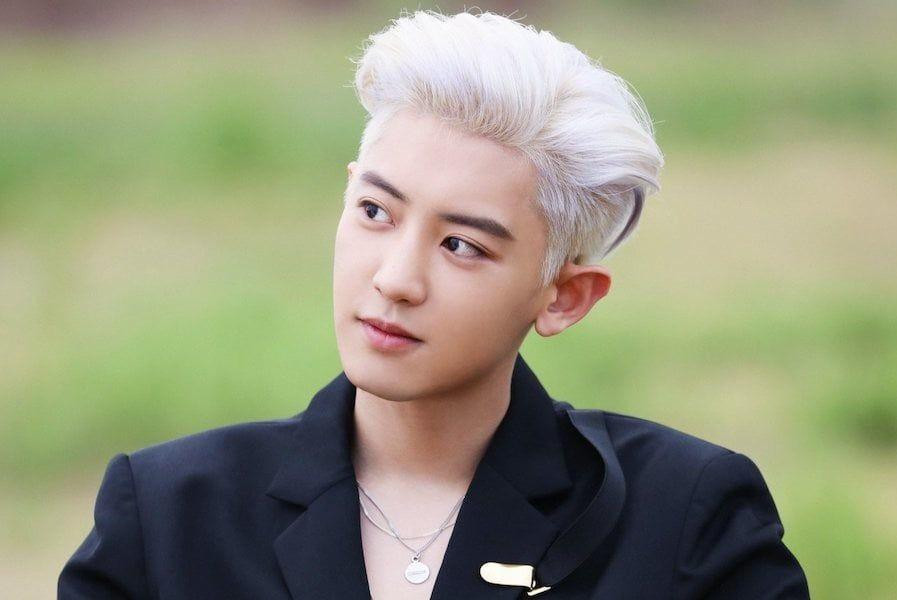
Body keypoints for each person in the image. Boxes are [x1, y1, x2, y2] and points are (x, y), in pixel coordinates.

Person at [58, 9, 810, 599]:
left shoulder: (685, 521)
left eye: (461, 246)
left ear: (564, 297)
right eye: (375, 212)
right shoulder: (168, 515)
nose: (395, 279)